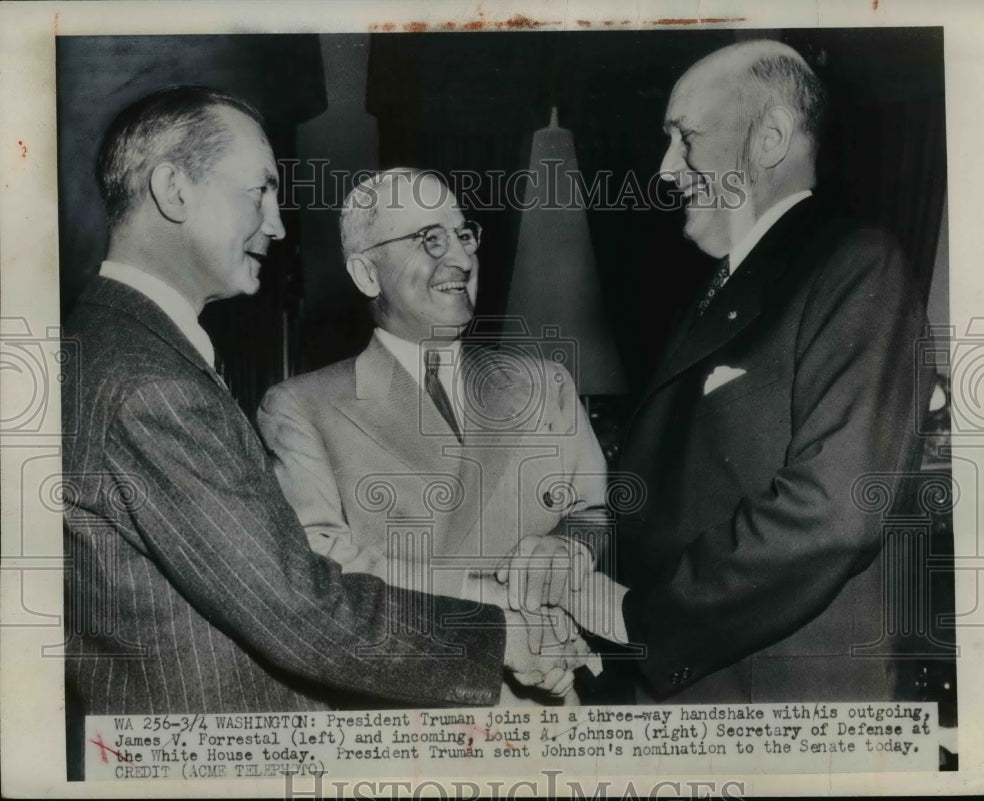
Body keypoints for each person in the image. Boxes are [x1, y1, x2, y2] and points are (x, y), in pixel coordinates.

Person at [61, 88, 579, 759]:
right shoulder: (150, 384)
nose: (277, 225)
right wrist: (500, 635)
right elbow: (298, 608)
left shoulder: (109, 345)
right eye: (260, 191)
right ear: (173, 189)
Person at [569, 39, 935, 703]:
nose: (666, 170)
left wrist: (636, 617)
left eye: (685, 139)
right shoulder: (720, 288)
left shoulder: (856, 264)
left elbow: (838, 510)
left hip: (778, 698)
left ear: (768, 139)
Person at [257, 169, 606, 704]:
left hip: (546, 712)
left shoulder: (547, 384)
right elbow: (326, 573)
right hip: (404, 731)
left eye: (465, 235)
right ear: (366, 273)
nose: (461, 260)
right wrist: (490, 601)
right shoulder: (301, 408)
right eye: (429, 239)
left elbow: (592, 514)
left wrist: (568, 546)